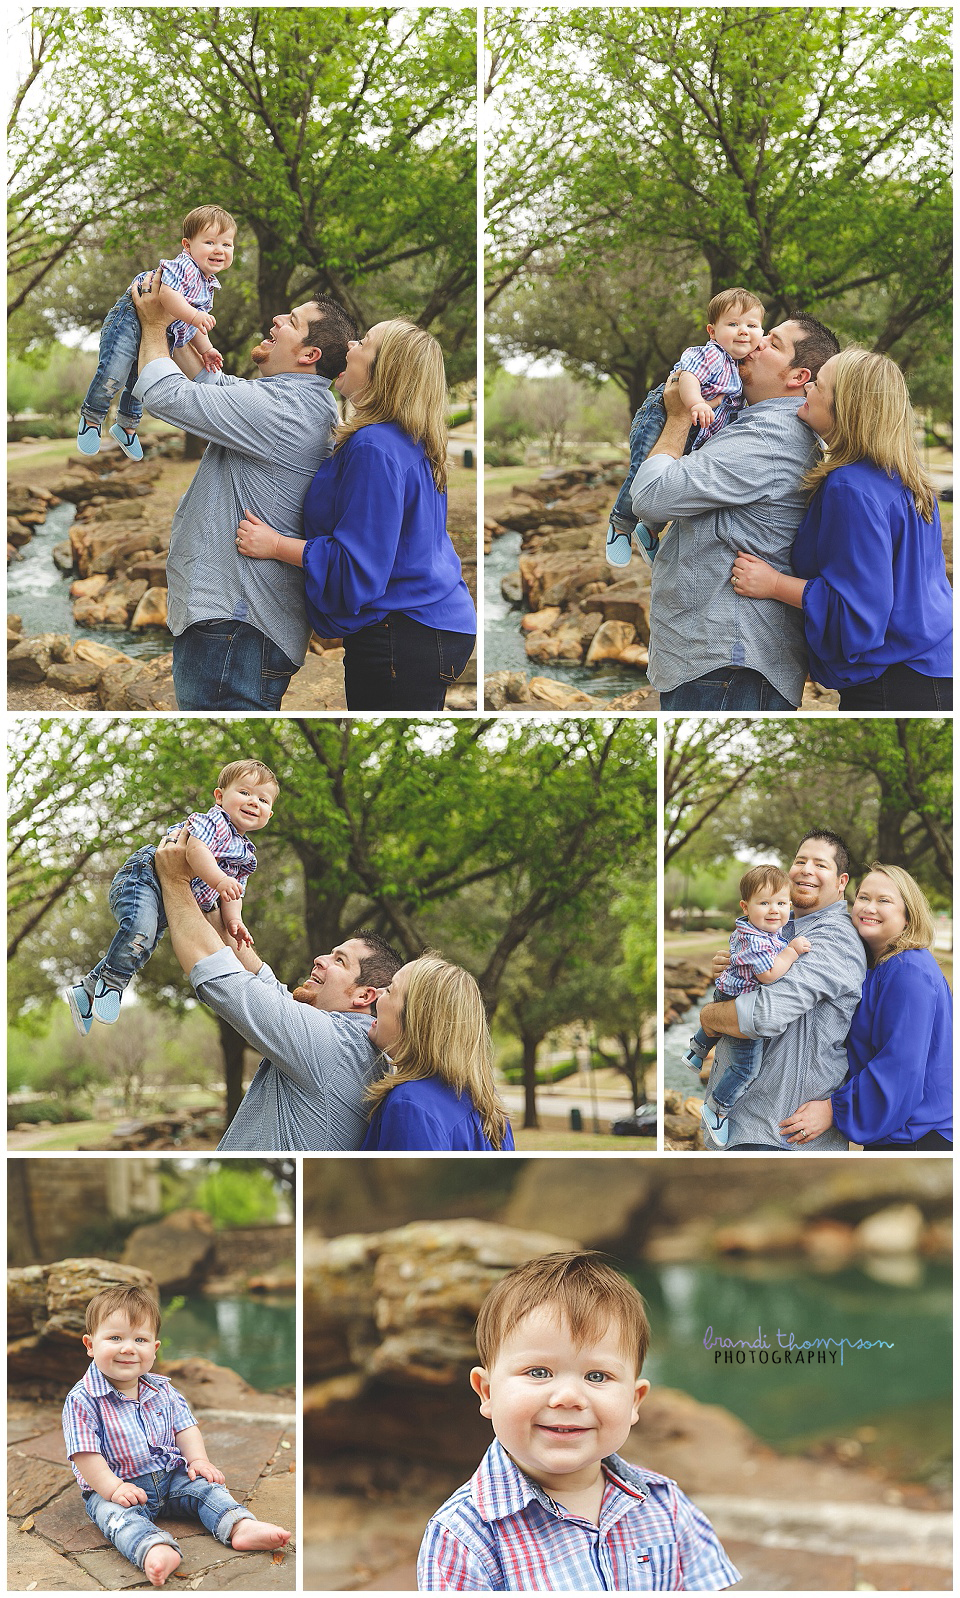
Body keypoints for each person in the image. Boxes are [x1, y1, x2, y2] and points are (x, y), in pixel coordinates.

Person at [418, 1252, 740, 1591]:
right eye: (539, 1372)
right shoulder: (464, 1536)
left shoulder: (666, 1507)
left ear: (634, 1401)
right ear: (487, 1392)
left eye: (597, 1376)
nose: (568, 1397)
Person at [129, 265, 357, 710]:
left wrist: (154, 324)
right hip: (241, 629)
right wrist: (180, 325)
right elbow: (207, 386)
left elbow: (165, 395)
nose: (275, 320)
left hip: (236, 626)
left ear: (309, 354)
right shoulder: (295, 401)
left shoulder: (285, 410)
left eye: (290, 322)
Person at [233, 319, 476, 710]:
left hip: (403, 631)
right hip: (429, 622)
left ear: (382, 372)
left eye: (364, 342)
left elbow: (356, 566)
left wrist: (277, 545)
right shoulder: (407, 438)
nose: (350, 343)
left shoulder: (374, 447)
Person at [632, 314, 840, 710]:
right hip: (721, 665)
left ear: (799, 376)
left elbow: (652, 495)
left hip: (728, 668)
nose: (755, 341)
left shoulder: (768, 437)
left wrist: (677, 417)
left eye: (773, 343)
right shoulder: (752, 425)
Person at [730, 347, 952, 710]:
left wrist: (774, 584)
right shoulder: (906, 478)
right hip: (937, 663)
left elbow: (858, 614)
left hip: (898, 680)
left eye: (820, 384)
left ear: (845, 408)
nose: (808, 387)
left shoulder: (850, 487)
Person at [153, 830, 403, 1151]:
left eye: (339, 960)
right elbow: (258, 979)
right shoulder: (343, 1042)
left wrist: (174, 881)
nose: (320, 959)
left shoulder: (332, 1046)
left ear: (364, 996)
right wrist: (211, 889)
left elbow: (215, 969)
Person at [62, 1285, 289, 1586]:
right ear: (90, 1344)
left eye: (139, 1339)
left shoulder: (163, 1390)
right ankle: (153, 1548)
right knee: (116, 1518)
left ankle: (239, 1526)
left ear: (154, 1349)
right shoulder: (83, 1399)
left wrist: (197, 1460)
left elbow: (185, 1427)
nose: (128, 1348)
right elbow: (84, 1453)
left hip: (170, 1477)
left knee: (208, 1488)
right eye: (115, 1338)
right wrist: (112, 1488)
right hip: (118, 1486)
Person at [65, 759, 279, 1034]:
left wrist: (234, 920)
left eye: (263, 799)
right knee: (139, 931)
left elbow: (234, 892)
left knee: (143, 945)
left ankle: (86, 992)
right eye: (245, 792)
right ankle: (113, 985)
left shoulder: (245, 853)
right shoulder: (214, 821)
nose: (253, 802)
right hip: (145, 879)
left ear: (269, 814)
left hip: (168, 899)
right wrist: (219, 879)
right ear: (219, 796)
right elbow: (195, 852)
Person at [698, 830, 865, 1151]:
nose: (806, 869)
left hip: (779, 1133)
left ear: (841, 881)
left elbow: (763, 1015)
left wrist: (708, 1018)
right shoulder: (782, 928)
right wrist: (737, 966)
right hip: (752, 1127)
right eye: (800, 860)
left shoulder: (833, 939)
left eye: (820, 864)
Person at [781, 864, 953, 1151]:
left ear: (908, 915)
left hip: (921, 1136)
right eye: (863, 897)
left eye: (884, 900)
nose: (869, 907)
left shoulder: (908, 970)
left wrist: (835, 1110)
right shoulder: (878, 965)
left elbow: (900, 1066)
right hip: (899, 1128)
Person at [606, 287, 765, 565]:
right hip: (663, 413)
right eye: (733, 324)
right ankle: (620, 525)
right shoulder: (713, 355)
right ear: (712, 331)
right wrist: (696, 404)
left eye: (752, 325)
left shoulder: (742, 368)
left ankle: (651, 529)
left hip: (697, 430)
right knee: (644, 467)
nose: (743, 331)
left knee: (673, 478)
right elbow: (688, 378)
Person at [77, 204, 236, 461]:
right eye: (209, 242)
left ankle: (127, 426)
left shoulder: (207, 286)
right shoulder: (184, 267)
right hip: (129, 320)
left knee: (143, 381)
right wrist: (195, 315)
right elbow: (167, 295)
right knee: (115, 373)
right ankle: (92, 417)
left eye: (227, 244)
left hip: (159, 331)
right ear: (187, 245)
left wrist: (206, 349)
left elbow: (192, 324)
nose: (219, 250)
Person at [684, 865, 810, 1146]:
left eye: (780, 903)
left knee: (713, 1022)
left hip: (726, 994)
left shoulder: (756, 931)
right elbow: (768, 974)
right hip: (740, 1004)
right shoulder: (756, 940)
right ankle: (716, 1108)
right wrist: (791, 951)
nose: (774, 910)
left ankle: (695, 1051)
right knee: (746, 1069)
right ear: (746, 906)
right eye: (764, 903)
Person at [360, 955, 515, 1151]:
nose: (378, 993)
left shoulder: (409, 1105)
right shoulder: (488, 1105)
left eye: (390, 990)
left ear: (416, 1020)